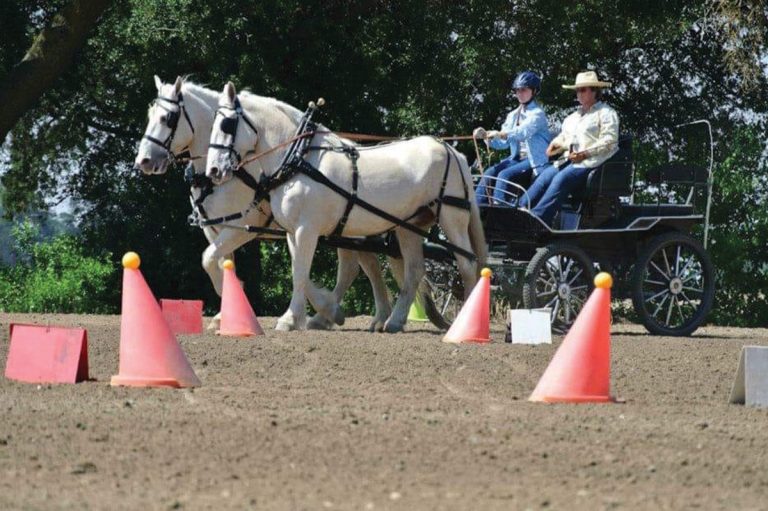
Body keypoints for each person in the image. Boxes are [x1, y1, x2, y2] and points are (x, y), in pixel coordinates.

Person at [519, 71, 619, 225]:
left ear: (594, 91)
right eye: (577, 90)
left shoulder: (606, 113)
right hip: (568, 160)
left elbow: (609, 142)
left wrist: (584, 153)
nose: (579, 93)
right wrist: (555, 146)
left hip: (591, 163)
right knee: (544, 177)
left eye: (583, 89)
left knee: (561, 178)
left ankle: (537, 220)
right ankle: (518, 211)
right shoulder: (571, 118)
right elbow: (564, 138)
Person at [473, 71, 552, 206]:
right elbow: (503, 143)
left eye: (523, 90)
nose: (519, 93)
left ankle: (500, 210)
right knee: (489, 172)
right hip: (516, 159)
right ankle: (476, 208)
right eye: (517, 90)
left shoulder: (537, 114)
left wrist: (500, 133)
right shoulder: (512, 115)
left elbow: (522, 132)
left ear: (534, 91)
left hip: (534, 160)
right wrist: (486, 137)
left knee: (505, 175)